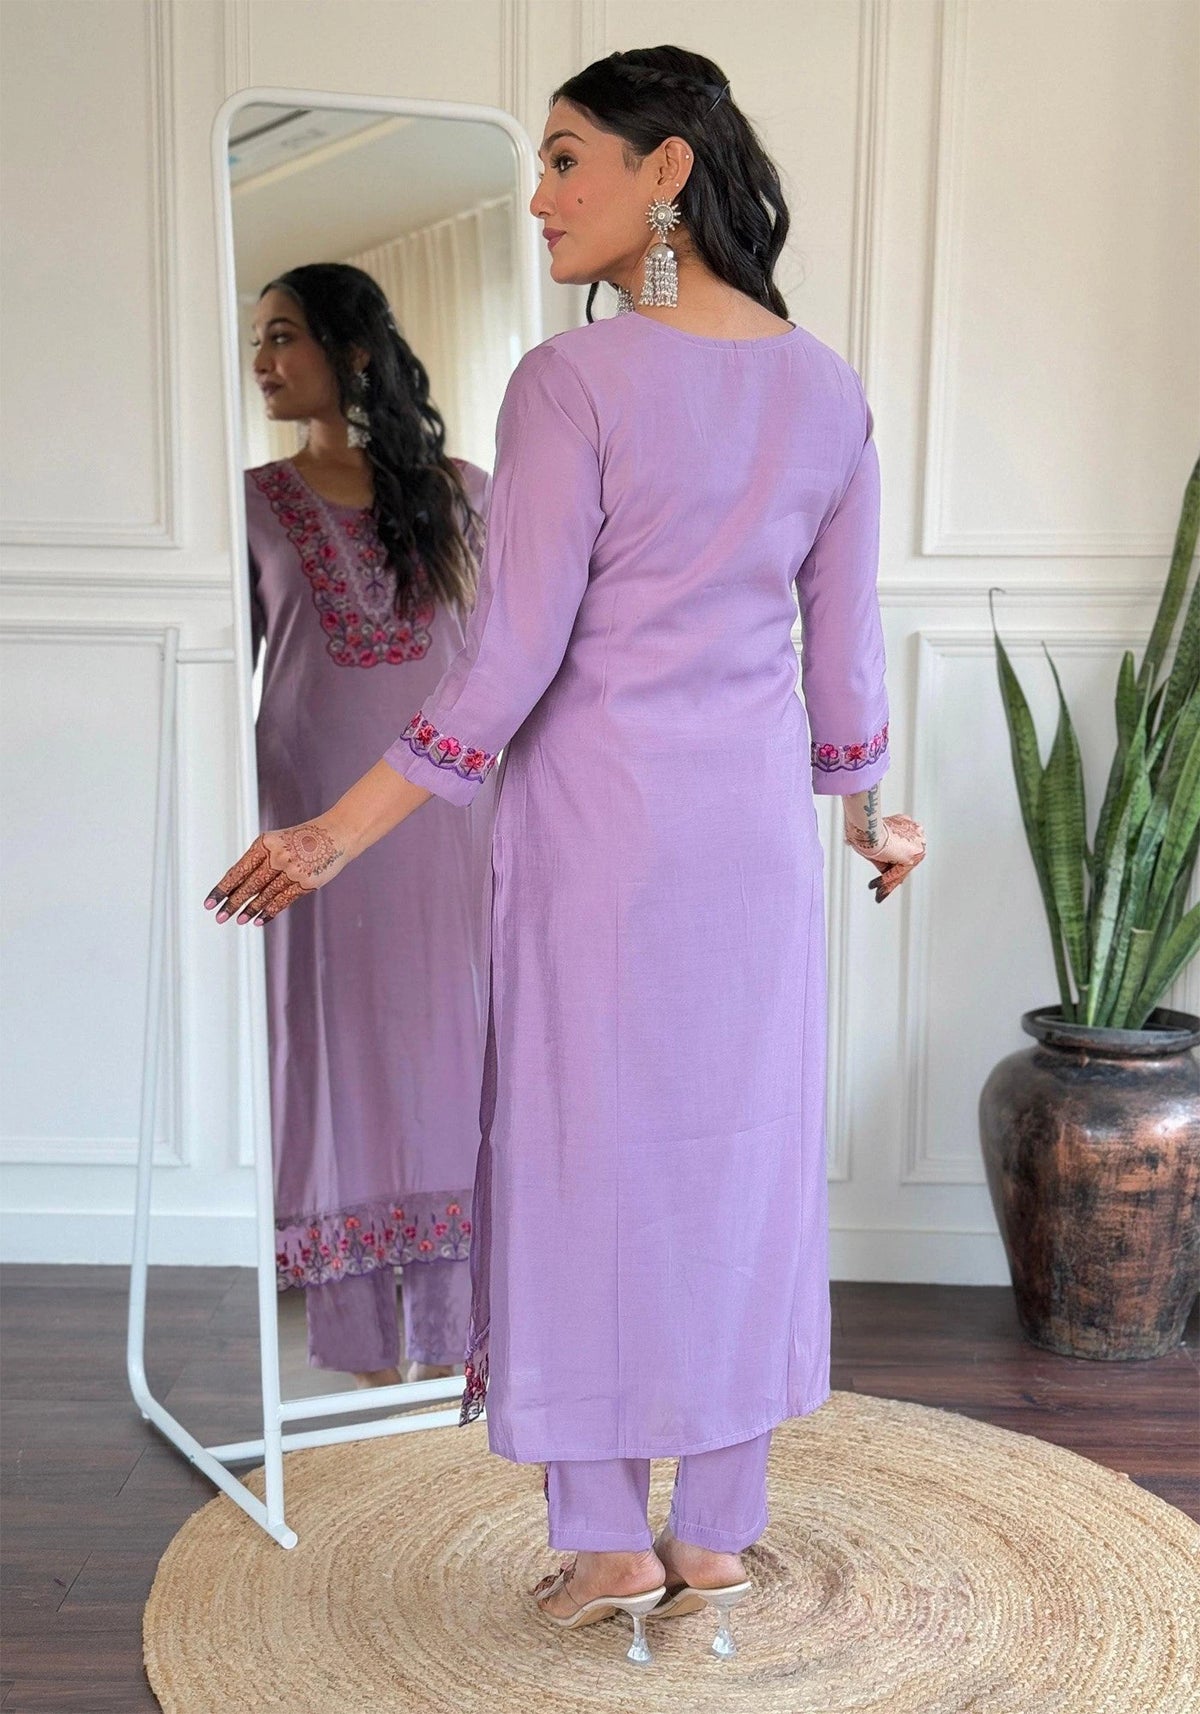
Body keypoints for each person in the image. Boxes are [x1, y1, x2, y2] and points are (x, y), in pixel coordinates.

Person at [208, 46, 926, 1665]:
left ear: (667, 171)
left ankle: (607, 1540)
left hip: (599, 840)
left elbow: (507, 661)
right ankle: (714, 1536)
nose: (538, 197)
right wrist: (871, 813)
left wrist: (331, 829)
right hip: (750, 845)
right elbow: (846, 663)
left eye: (567, 161)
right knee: (734, 1163)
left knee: (581, 1167)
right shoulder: (826, 386)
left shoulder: (570, 383)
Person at [243, 263, 498, 1391]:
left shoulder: (469, 491)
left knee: (453, 1047)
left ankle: (460, 1329)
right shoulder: (250, 503)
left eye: (285, 336)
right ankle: (357, 1343)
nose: (263, 361)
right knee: (334, 1052)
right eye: (259, 339)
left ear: (352, 353)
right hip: (308, 829)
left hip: (449, 827)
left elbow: (509, 664)